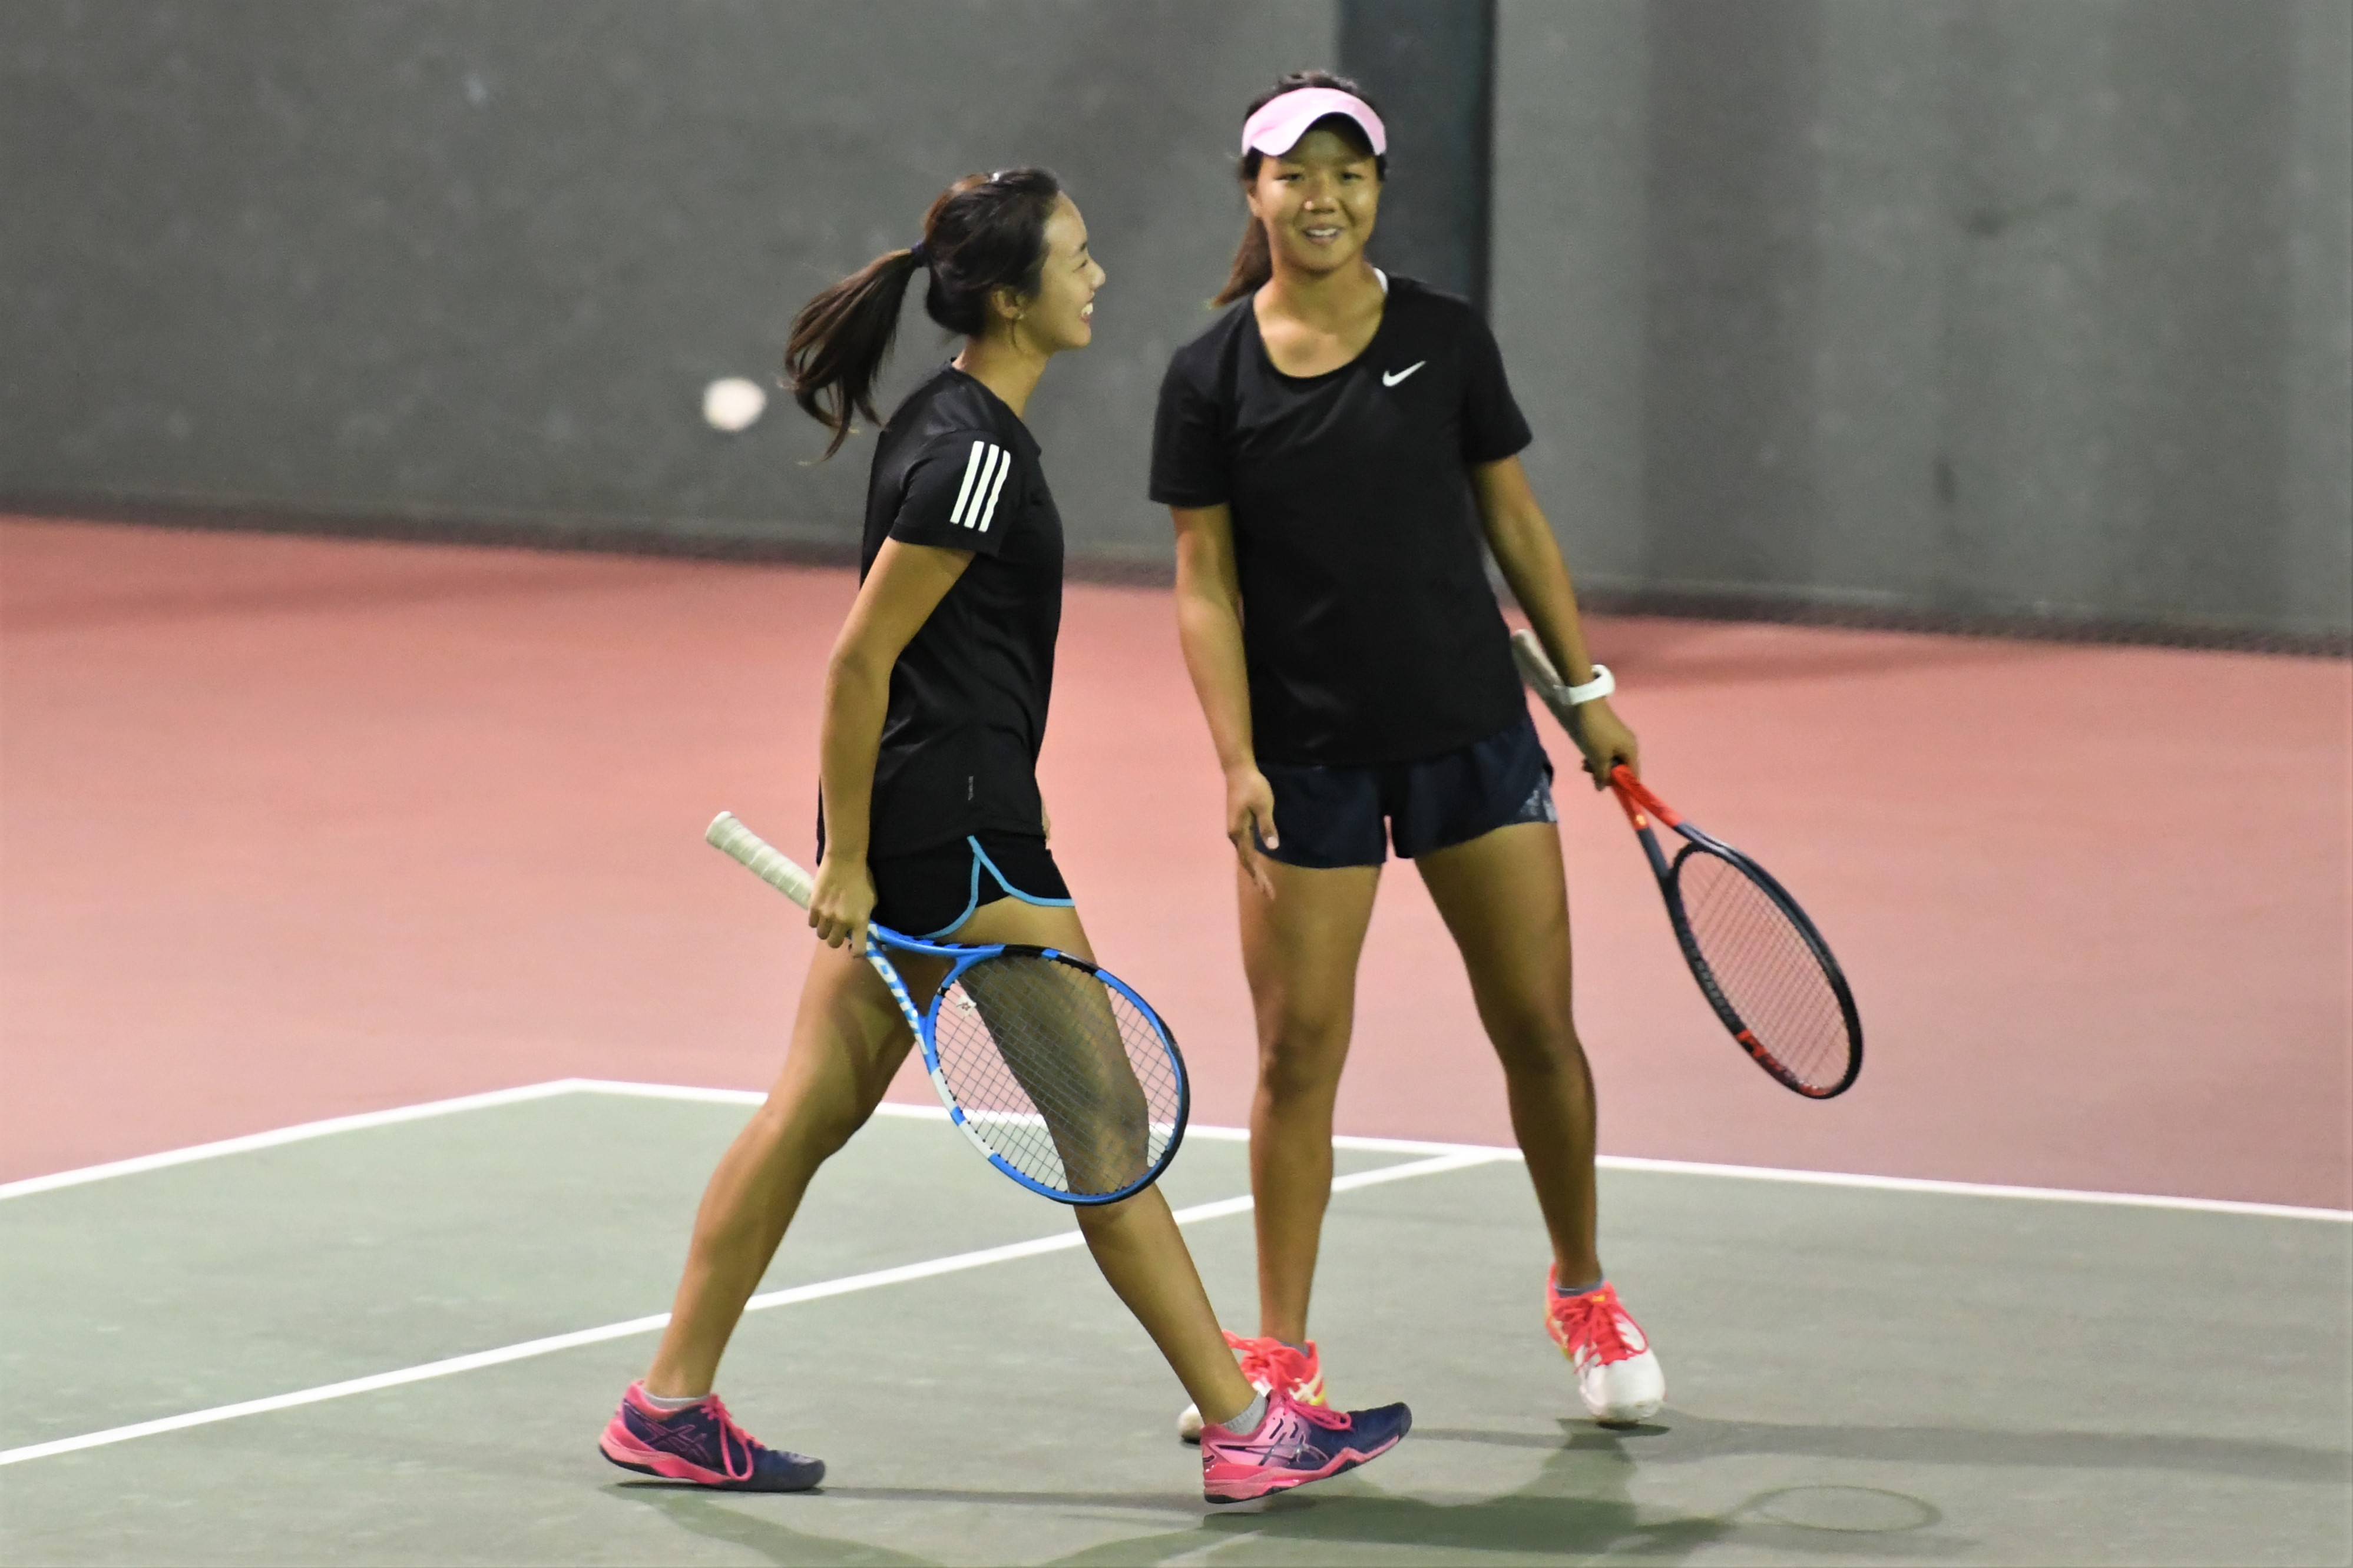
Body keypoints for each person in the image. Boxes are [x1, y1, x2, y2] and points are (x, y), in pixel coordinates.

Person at [597, 168, 1411, 1503]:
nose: (1099, 277)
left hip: (920, 829)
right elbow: (859, 661)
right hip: (964, 841)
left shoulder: (954, 423)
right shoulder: (973, 454)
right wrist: (849, 858)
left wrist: (861, 849)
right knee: (1107, 1129)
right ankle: (1247, 1430)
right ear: (1017, 299)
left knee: (809, 1112)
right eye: (1077, 259)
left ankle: (667, 1404)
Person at [1151, 75, 1668, 1439]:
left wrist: (1587, 691)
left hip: (1471, 739)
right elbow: (1205, 584)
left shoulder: (1444, 336)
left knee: (1537, 1029)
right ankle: (1282, 1356)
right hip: (1307, 762)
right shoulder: (1209, 375)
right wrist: (1236, 757)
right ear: (1253, 190)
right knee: (1297, 1055)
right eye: (1294, 173)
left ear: (1378, 188)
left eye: (1350, 172)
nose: (1323, 197)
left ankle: (1584, 1290)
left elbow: (1515, 520)